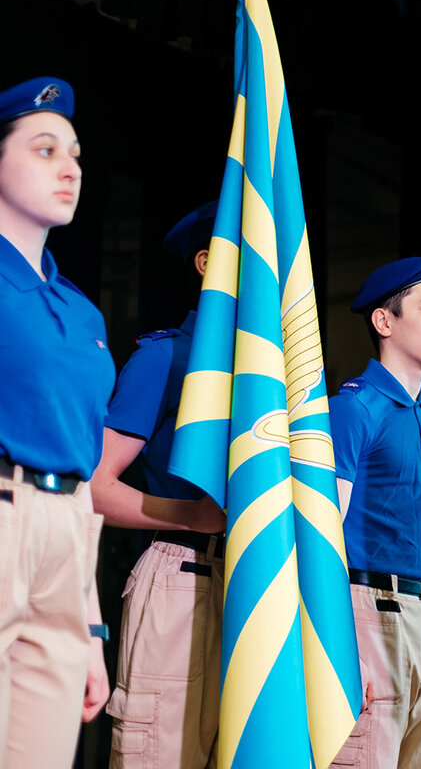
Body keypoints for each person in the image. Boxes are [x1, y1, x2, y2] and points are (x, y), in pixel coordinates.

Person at [0, 76, 113, 768]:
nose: (68, 167)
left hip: (68, 536)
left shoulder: (82, 313)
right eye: (45, 149)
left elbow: (84, 473)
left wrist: (92, 627)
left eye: (73, 153)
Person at [92, 202, 227, 768]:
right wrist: (188, 515)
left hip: (254, 579)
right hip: (182, 575)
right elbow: (95, 486)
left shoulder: (275, 375)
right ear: (206, 262)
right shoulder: (167, 356)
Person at [329, 255, 421, 768]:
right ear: (385, 322)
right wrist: (338, 647)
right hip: (368, 614)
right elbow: (322, 537)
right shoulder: (353, 410)